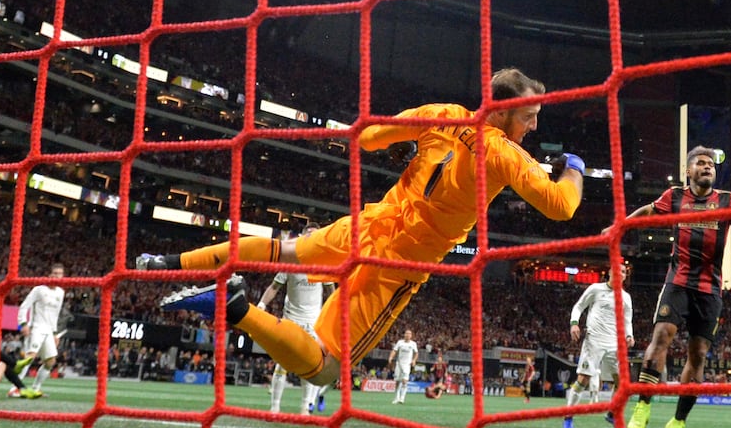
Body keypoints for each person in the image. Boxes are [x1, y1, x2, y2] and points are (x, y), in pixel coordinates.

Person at [136, 67, 584, 395]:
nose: (534, 126)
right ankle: (234, 309)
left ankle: (167, 264)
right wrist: (575, 170)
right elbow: (562, 207)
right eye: (528, 116)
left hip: (369, 226)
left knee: (282, 250)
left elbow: (368, 138)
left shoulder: (442, 113)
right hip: (397, 264)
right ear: (503, 112)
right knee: (326, 370)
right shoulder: (506, 155)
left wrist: (412, 146)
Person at [625, 146, 731, 428]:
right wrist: (620, 227)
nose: (707, 167)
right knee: (662, 335)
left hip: (710, 290)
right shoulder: (675, 197)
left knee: (699, 354)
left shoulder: (727, 200)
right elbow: (648, 212)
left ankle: (678, 423)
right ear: (689, 171)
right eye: (701, 163)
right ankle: (643, 404)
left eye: (711, 164)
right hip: (678, 281)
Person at [256, 229, 327, 415]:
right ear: (303, 236)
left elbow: (332, 292)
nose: (312, 236)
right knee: (283, 364)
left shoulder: (324, 263)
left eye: (315, 233)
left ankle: (305, 407)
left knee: (310, 365)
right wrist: (262, 304)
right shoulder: (291, 261)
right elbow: (274, 287)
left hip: (313, 323)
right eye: (309, 233)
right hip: (292, 319)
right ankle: (275, 407)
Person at [563, 260, 634, 428]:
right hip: (594, 341)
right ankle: (568, 416)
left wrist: (629, 335)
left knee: (622, 382)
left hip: (614, 344)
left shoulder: (626, 298)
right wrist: (574, 324)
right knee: (583, 380)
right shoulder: (596, 289)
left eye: (623, 271)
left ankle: (611, 414)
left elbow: (627, 321)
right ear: (610, 272)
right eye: (617, 270)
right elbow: (579, 307)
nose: (620, 273)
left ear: (625, 276)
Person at [15, 263, 67, 397]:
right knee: (29, 358)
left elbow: (55, 314)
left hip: (49, 331)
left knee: (50, 361)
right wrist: (23, 323)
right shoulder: (39, 290)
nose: (56, 276)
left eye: (59, 274)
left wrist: (55, 333)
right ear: (49, 275)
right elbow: (24, 306)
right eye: (54, 273)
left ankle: (36, 388)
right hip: (36, 327)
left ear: (62, 277)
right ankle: (15, 388)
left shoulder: (60, 293)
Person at [389, 327, 419, 404]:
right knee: (397, 381)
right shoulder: (400, 342)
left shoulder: (413, 344)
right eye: (406, 333)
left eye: (409, 334)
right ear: (404, 335)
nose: (408, 335)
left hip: (407, 365)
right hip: (399, 364)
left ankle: (402, 398)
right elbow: (394, 350)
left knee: (405, 381)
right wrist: (391, 357)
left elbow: (416, 353)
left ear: (411, 336)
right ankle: (396, 398)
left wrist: (414, 360)